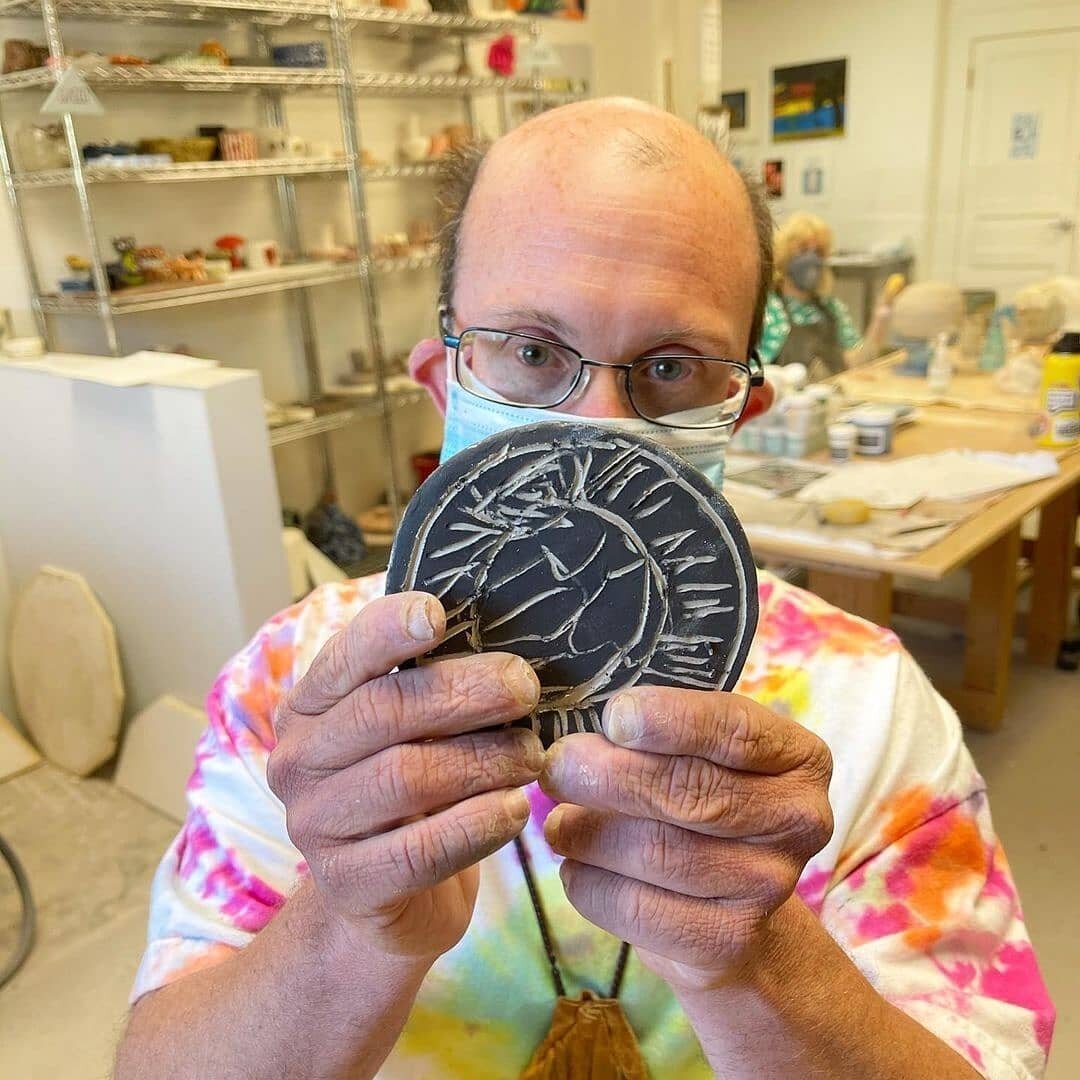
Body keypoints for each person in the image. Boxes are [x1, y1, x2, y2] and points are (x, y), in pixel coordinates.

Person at [115, 99, 1052, 1079]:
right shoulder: (295, 698)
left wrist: (764, 968)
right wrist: (348, 934)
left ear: (741, 412)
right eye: (530, 351)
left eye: (670, 366)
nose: (597, 428)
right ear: (445, 383)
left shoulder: (872, 711)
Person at [758, 211, 893, 379]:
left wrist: (880, 321)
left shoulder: (832, 309)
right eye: (803, 250)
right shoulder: (766, 311)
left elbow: (857, 363)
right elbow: (752, 374)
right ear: (785, 256)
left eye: (818, 252)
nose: (811, 259)